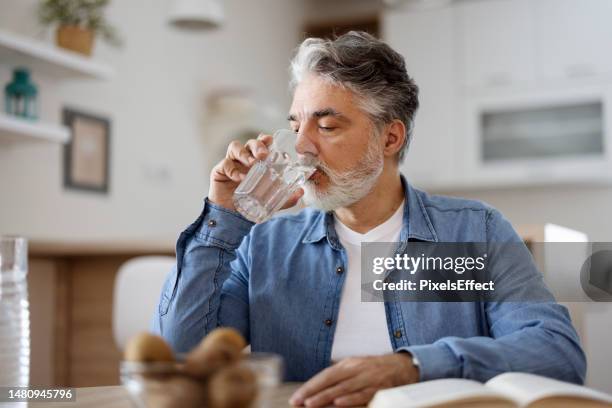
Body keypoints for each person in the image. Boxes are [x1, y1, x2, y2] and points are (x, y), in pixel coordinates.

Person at [152, 31, 585, 407]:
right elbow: (180, 356)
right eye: (295, 124)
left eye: (327, 126)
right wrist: (223, 217)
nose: (301, 147)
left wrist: (412, 367)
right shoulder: (265, 243)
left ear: (390, 137)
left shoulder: (473, 234)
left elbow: (556, 353)